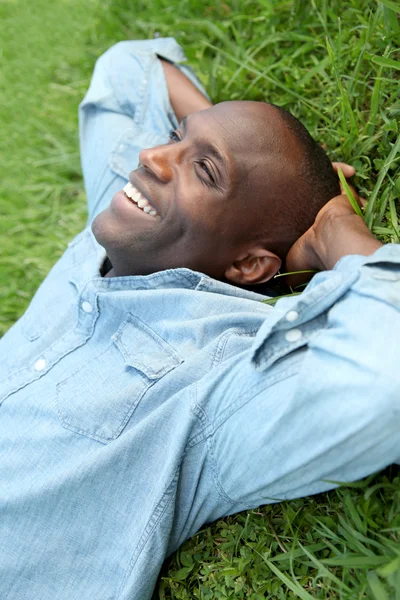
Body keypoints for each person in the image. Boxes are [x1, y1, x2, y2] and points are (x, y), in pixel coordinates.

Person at [0, 37, 399, 600]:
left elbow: (386, 378)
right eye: (174, 139)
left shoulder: (211, 381)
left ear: (248, 264)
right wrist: (215, 151)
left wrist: (336, 227)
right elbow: (127, 71)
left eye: (205, 172)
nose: (151, 159)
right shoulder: (119, 222)